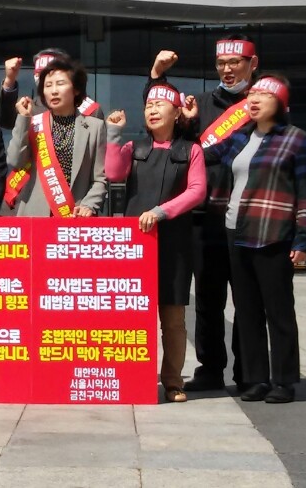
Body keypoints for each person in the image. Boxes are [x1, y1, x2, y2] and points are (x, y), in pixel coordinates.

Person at [148, 36, 259, 392]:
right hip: (204, 218)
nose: (227, 70)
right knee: (208, 299)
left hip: (248, 217)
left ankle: (248, 374)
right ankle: (210, 369)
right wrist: (159, 78)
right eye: (221, 63)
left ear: (252, 64)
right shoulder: (201, 104)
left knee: (247, 299)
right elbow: (171, 133)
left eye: (235, 62)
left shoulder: (260, 104)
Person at [204, 75, 306, 404]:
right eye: (251, 94)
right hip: (235, 231)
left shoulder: (296, 140)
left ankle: (284, 381)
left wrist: (302, 240)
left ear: (280, 103)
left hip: (273, 235)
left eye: (262, 95)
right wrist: (187, 122)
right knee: (247, 310)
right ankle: (256, 379)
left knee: (278, 311)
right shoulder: (240, 137)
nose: (253, 100)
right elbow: (204, 154)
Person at [105, 83, 206, 403]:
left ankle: (173, 381)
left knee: (173, 320)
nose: (152, 110)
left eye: (160, 105)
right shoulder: (134, 147)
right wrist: (114, 133)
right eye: (149, 105)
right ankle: (133, 379)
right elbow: (113, 172)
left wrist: (162, 212)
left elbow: (197, 191)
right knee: (133, 317)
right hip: (137, 246)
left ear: (177, 113)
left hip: (174, 245)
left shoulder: (191, 150)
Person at [6, 58, 107, 217]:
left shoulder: (95, 127)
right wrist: (23, 119)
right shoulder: (33, 124)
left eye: (60, 84)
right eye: (48, 85)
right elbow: (15, 161)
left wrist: (89, 205)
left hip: (76, 217)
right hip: (35, 217)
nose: (53, 91)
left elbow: (100, 178)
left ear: (76, 89)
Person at [0, 48, 105, 130]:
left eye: (59, 82)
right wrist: (10, 80)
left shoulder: (89, 110)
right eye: (40, 75)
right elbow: (6, 121)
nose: (53, 89)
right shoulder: (28, 109)